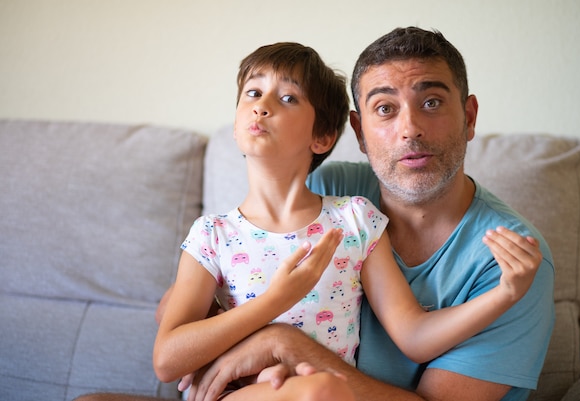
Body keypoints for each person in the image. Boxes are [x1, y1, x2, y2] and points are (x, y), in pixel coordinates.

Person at [75, 27, 554, 401]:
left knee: (320, 392)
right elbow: (175, 328)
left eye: (431, 103)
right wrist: (251, 328)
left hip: (319, 394)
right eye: (385, 109)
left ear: (469, 117)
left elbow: (414, 338)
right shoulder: (286, 203)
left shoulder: (359, 220)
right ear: (359, 133)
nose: (410, 129)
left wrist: (283, 342)